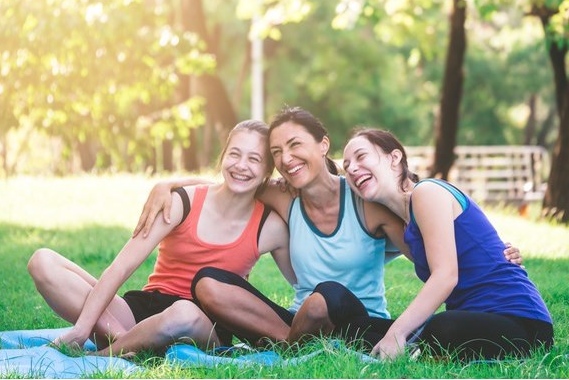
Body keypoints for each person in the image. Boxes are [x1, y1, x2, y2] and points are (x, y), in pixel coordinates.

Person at [135, 107, 523, 348]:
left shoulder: (368, 204)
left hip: (357, 321)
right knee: (208, 281)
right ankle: (291, 344)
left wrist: (496, 251)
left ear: (323, 145)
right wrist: (168, 184)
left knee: (327, 296)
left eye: (295, 146)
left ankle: (288, 347)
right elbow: (230, 180)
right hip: (298, 320)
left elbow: (432, 248)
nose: (285, 159)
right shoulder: (280, 196)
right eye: (276, 153)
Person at [27, 120, 295, 356]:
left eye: (254, 159)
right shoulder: (181, 201)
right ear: (223, 156)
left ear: (266, 172)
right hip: (145, 308)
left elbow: (301, 283)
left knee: (183, 313)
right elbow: (122, 266)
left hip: (204, 324)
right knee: (43, 262)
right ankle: (124, 340)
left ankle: (106, 354)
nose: (241, 165)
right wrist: (82, 327)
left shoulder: (269, 227)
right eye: (234, 154)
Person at [340, 127, 553, 360]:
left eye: (361, 157)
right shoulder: (404, 224)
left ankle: (411, 348)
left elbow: (445, 275)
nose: (351, 168)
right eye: (346, 164)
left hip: (521, 322)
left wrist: (397, 333)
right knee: (358, 328)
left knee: (441, 327)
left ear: (395, 157)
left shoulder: (427, 192)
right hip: (472, 319)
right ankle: (414, 349)